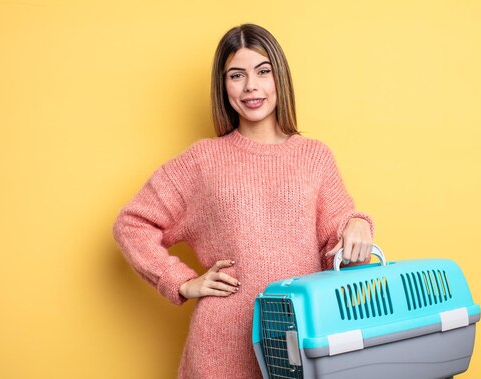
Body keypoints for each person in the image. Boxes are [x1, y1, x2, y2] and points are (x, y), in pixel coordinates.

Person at [112, 23, 375, 379]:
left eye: (263, 71)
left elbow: (340, 253)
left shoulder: (315, 157)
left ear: (279, 77)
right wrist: (180, 280)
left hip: (302, 341)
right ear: (223, 87)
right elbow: (132, 223)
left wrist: (357, 224)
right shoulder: (202, 160)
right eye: (237, 75)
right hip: (220, 351)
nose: (251, 86)